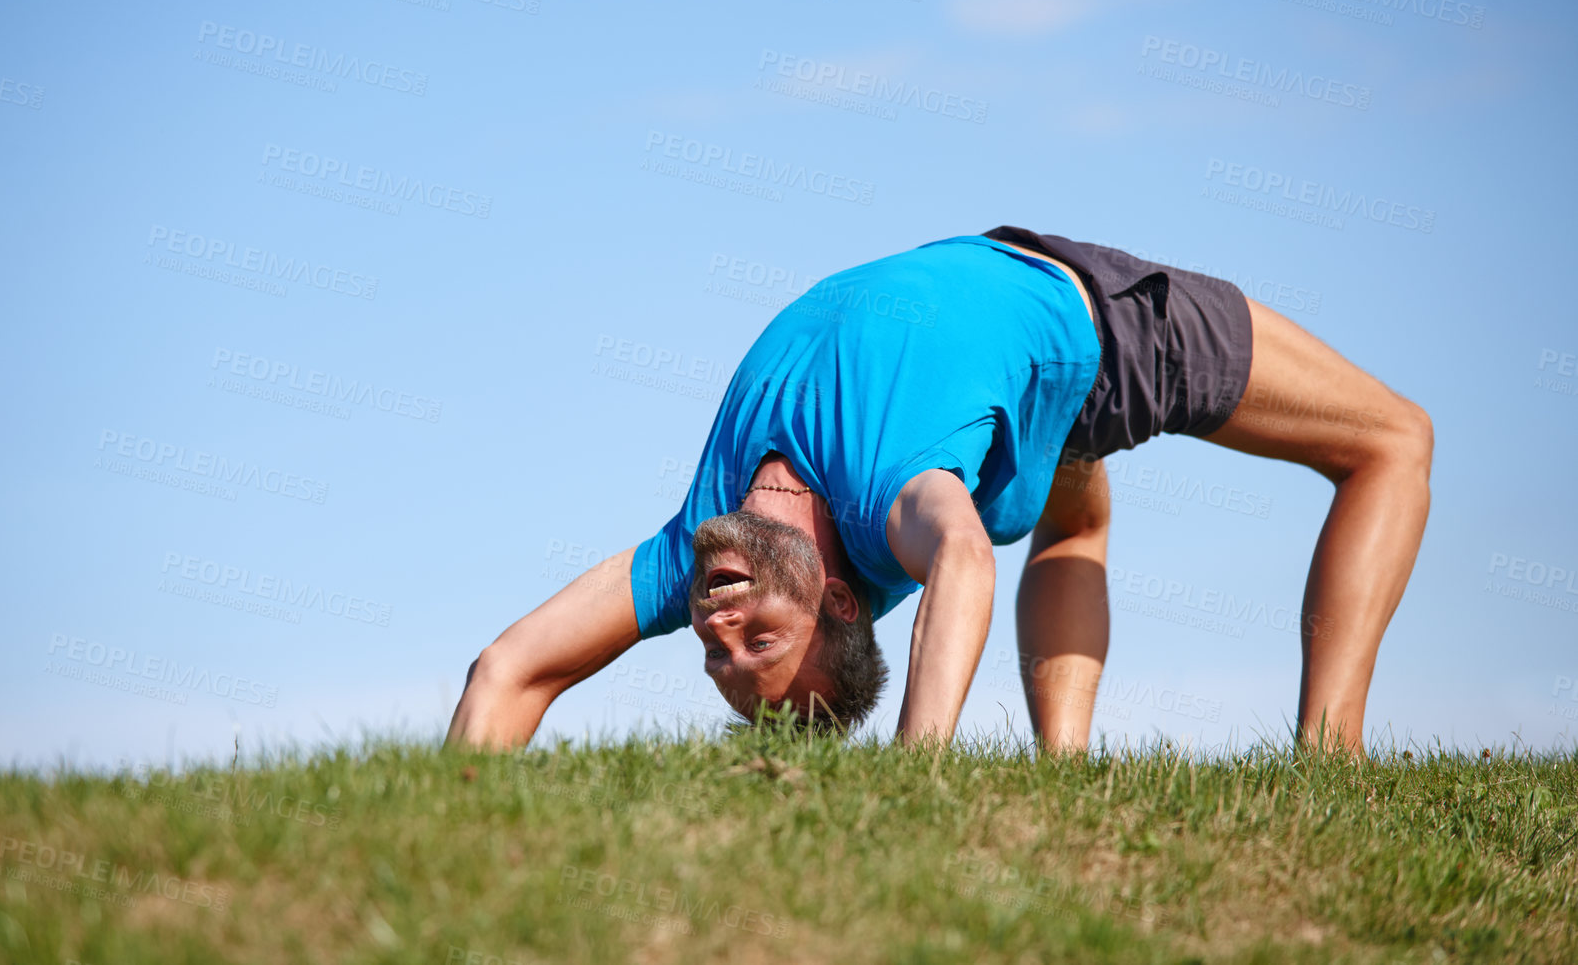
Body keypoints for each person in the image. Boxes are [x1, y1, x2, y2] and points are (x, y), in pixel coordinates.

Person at [447, 227, 1433, 753]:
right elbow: (960, 556)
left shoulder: (688, 552)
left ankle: (1073, 764)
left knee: (1065, 501)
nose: (719, 623)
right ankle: (1326, 761)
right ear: (836, 598)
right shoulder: (892, 500)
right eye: (758, 640)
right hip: (1094, 330)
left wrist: (451, 836)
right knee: (1393, 435)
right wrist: (922, 776)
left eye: (720, 652)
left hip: (995, 306)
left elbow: (508, 670)